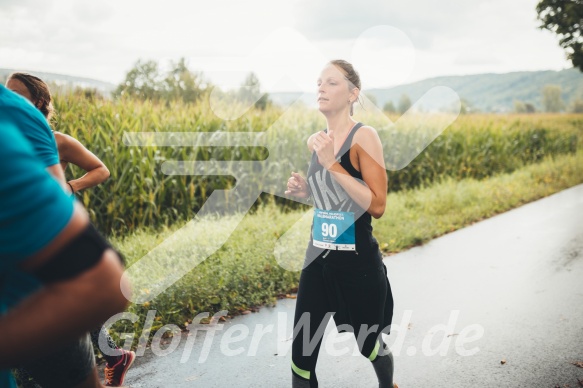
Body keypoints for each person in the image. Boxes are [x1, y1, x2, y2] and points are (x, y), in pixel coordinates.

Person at [5, 73, 134, 387]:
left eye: (18, 95)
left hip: (59, 230)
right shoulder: (9, 133)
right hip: (22, 236)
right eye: (8, 93)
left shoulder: (56, 139)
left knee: (65, 298)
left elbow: (100, 168)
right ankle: (115, 356)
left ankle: (113, 356)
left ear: (39, 103)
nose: (10, 99)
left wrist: (69, 187)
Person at [285, 60, 395, 388]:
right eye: (319, 81)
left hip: (357, 263)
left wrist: (332, 163)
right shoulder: (316, 140)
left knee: (369, 345)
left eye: (332, 82)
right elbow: (330, 199)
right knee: (300, 357)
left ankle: (388, 385)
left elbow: (376, 205)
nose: (321, 87)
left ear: (352, 93)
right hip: (317, 259)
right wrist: (306, 190)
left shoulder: (365, 137)